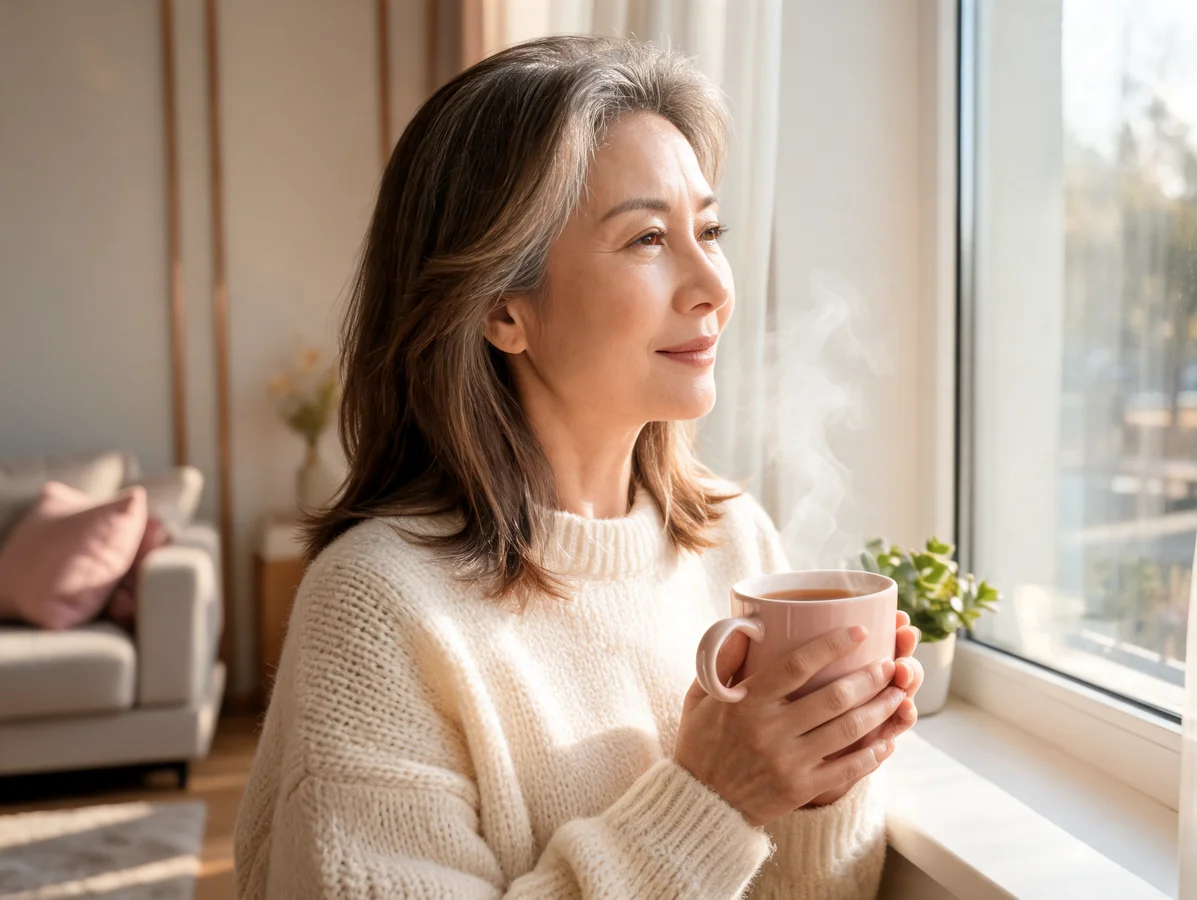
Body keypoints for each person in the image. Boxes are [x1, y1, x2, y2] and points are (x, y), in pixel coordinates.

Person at [235, 35, 924, 899]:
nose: (713, 281)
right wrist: (710, 800)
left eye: (708, 229)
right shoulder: (378, 610)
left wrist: (825, 779)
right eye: (646, 238)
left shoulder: (736, 546)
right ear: (501, 309)